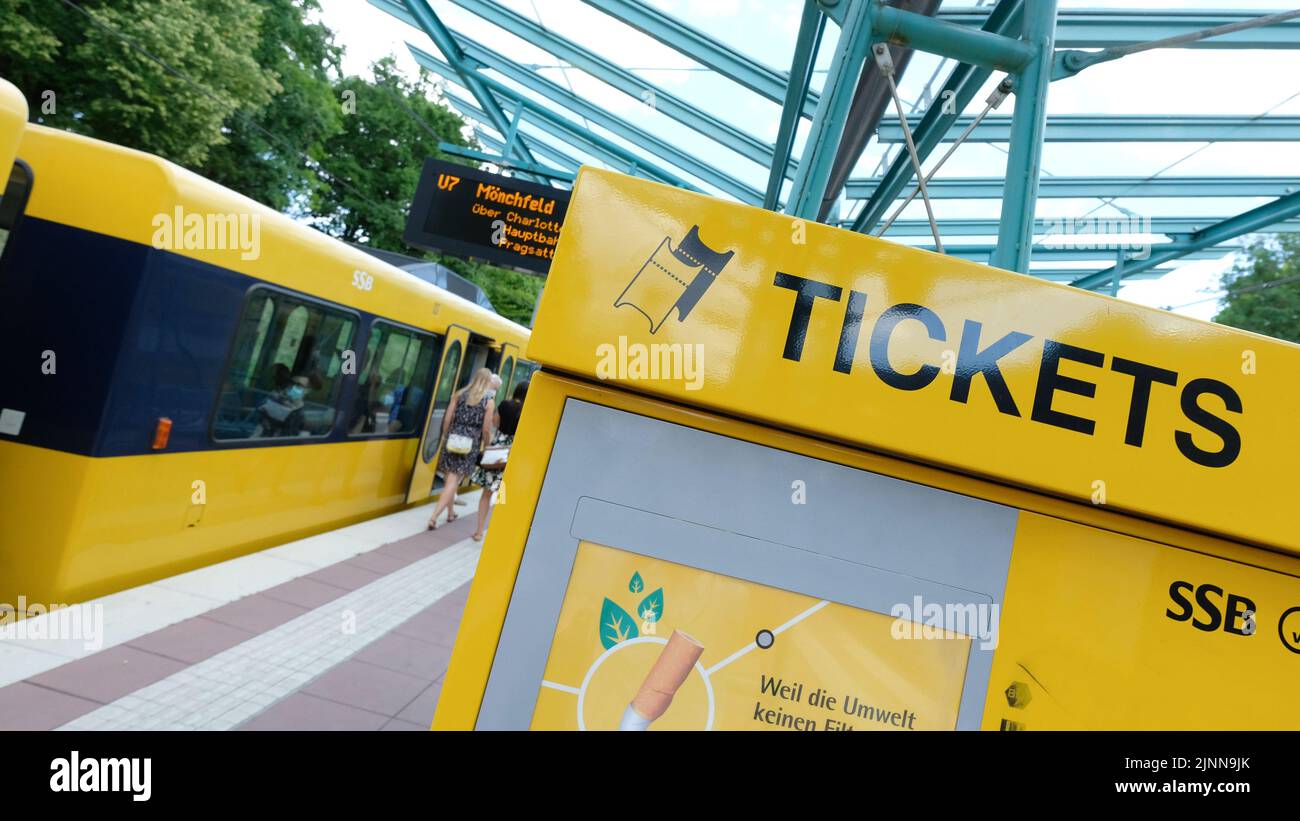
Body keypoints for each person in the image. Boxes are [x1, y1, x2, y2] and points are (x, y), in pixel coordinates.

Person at [427, 367, 496, 530]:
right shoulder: (488, 401)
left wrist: (445, 435)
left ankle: (450, 513)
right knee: (453, 480)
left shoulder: (459, 395)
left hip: (452, 438)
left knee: (449, 478)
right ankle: (434, 517)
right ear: (487, 382)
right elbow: (486, 428)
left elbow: (447, 418)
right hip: (470, 444)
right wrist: (486, 446)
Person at [469, 380, 527, 541]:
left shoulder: (505, 404)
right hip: (512, 454)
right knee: (503, 497)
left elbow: (495, 422)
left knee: (486, 494)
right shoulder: (527, 410)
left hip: (496, 453)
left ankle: (479, 531)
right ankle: (496, 533)